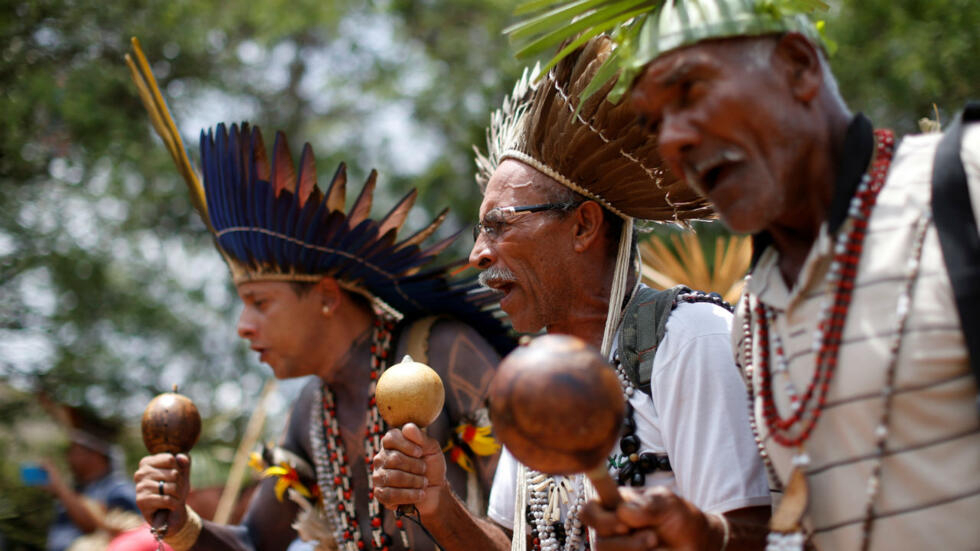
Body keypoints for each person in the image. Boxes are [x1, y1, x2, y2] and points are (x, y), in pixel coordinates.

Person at [506, 1, 980, 549]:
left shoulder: (961, 185)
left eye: (692, 92)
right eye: (654, 123)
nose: (673, 141)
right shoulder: (757, 314)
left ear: (798, 66)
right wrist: (707, 537)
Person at [372, 37, 771, 551]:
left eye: (499, 226)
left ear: (583, 226)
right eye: (479, 231)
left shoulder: (689, 340)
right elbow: (518, 543)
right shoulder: (536, 376)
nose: (478, 254)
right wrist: (436, 502)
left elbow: (758, 534)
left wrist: (686, 534)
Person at [130, 121, 514, 551]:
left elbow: (525, 530)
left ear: (328, 296)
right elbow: (258, 543)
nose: (243, 325)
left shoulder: (443, 350)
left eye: (260, 302)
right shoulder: (313, 408)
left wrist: (438, 504)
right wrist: (180, 520)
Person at [42, 407, 142, 551]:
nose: (68, 457)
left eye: (74, 450)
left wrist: (60, 488)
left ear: (95, 454)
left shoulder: (119, 490)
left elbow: (114, 531)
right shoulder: (78, 489)